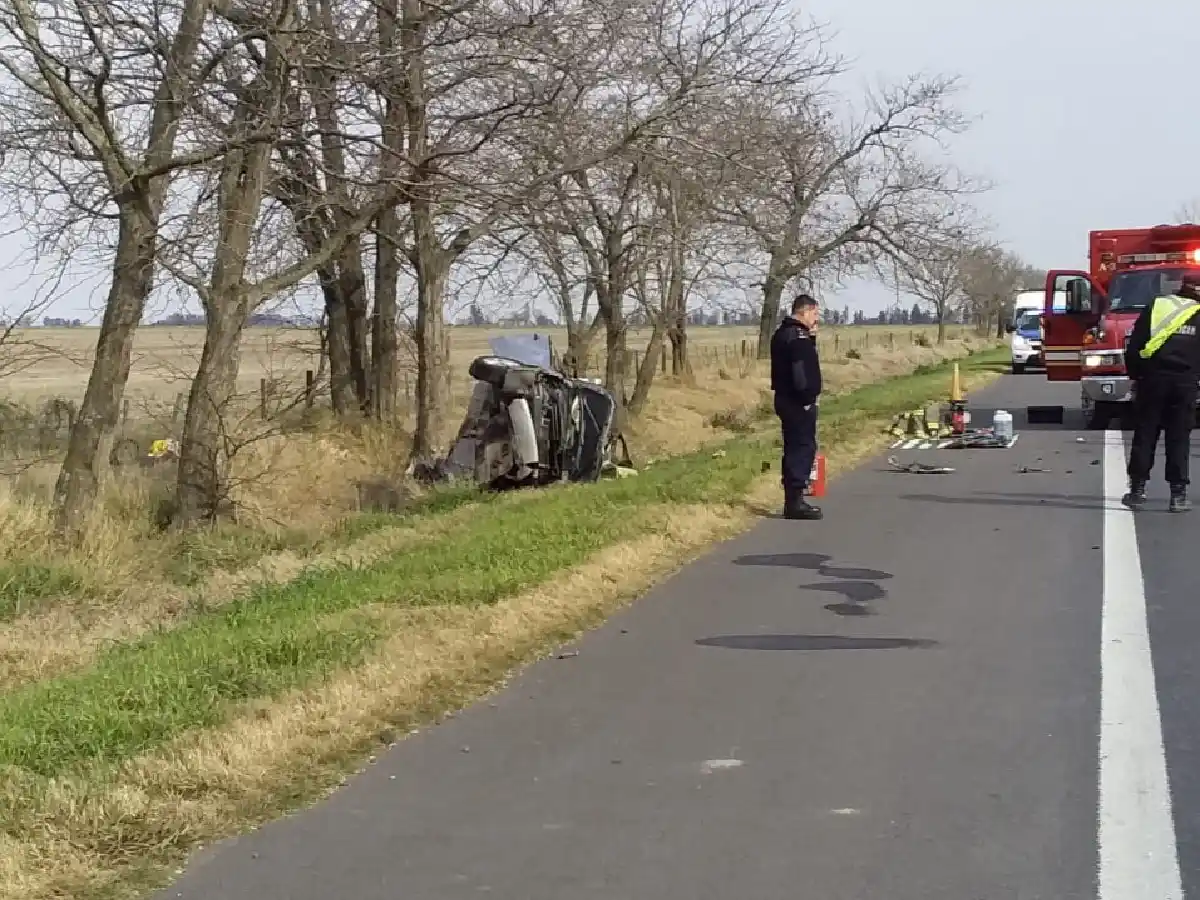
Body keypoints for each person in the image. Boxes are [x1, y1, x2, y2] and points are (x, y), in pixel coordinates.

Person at [1122, 272, 1200, 512]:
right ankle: (1178, 495)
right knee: (1179, 438)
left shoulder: (1157, 305)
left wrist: (1136, 376)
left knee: (1146, 433)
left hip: (1152, 380)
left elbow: (1134, 345)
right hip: (1185, 382)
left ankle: (1137, 490)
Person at [770, 293, 823, 520]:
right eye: (815, 313)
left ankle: (794, 497)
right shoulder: (797, 337)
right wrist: (807, 398)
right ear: (806, 311)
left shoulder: (783, 333)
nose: (816, 319)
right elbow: (801, 372)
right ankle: (794, 503)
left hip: (784, 398)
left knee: (795, 446)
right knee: (801, 447)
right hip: (796, 401)